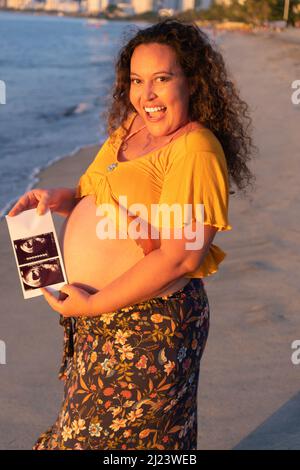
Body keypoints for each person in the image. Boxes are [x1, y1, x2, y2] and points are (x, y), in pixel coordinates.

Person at [8, 19, 255, 450]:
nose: (147, 95)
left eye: (162, 79)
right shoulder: (130, 128)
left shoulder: (195, 150)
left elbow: (183, 258)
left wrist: (93, 305)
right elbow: (94, 195)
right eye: (137, 81)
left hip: (149, 326)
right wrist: (56, 197)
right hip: (98, 319)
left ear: (193, 82)